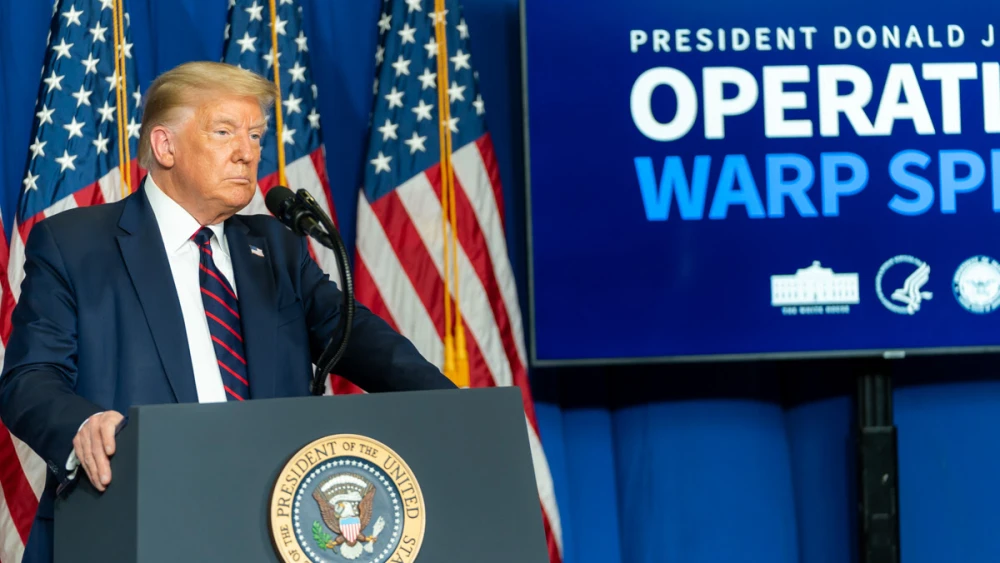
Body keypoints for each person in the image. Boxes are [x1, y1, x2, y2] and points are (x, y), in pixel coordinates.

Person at [0, 61, 456, 562]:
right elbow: (29, 379)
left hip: (267, 526)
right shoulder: (76, 245)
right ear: (164, 146)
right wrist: (81, 425)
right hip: (129, 521)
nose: (247, 152)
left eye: (257, 135)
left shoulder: (276, 248)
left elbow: (361, 340)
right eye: (225, 132)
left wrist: (460, 412)